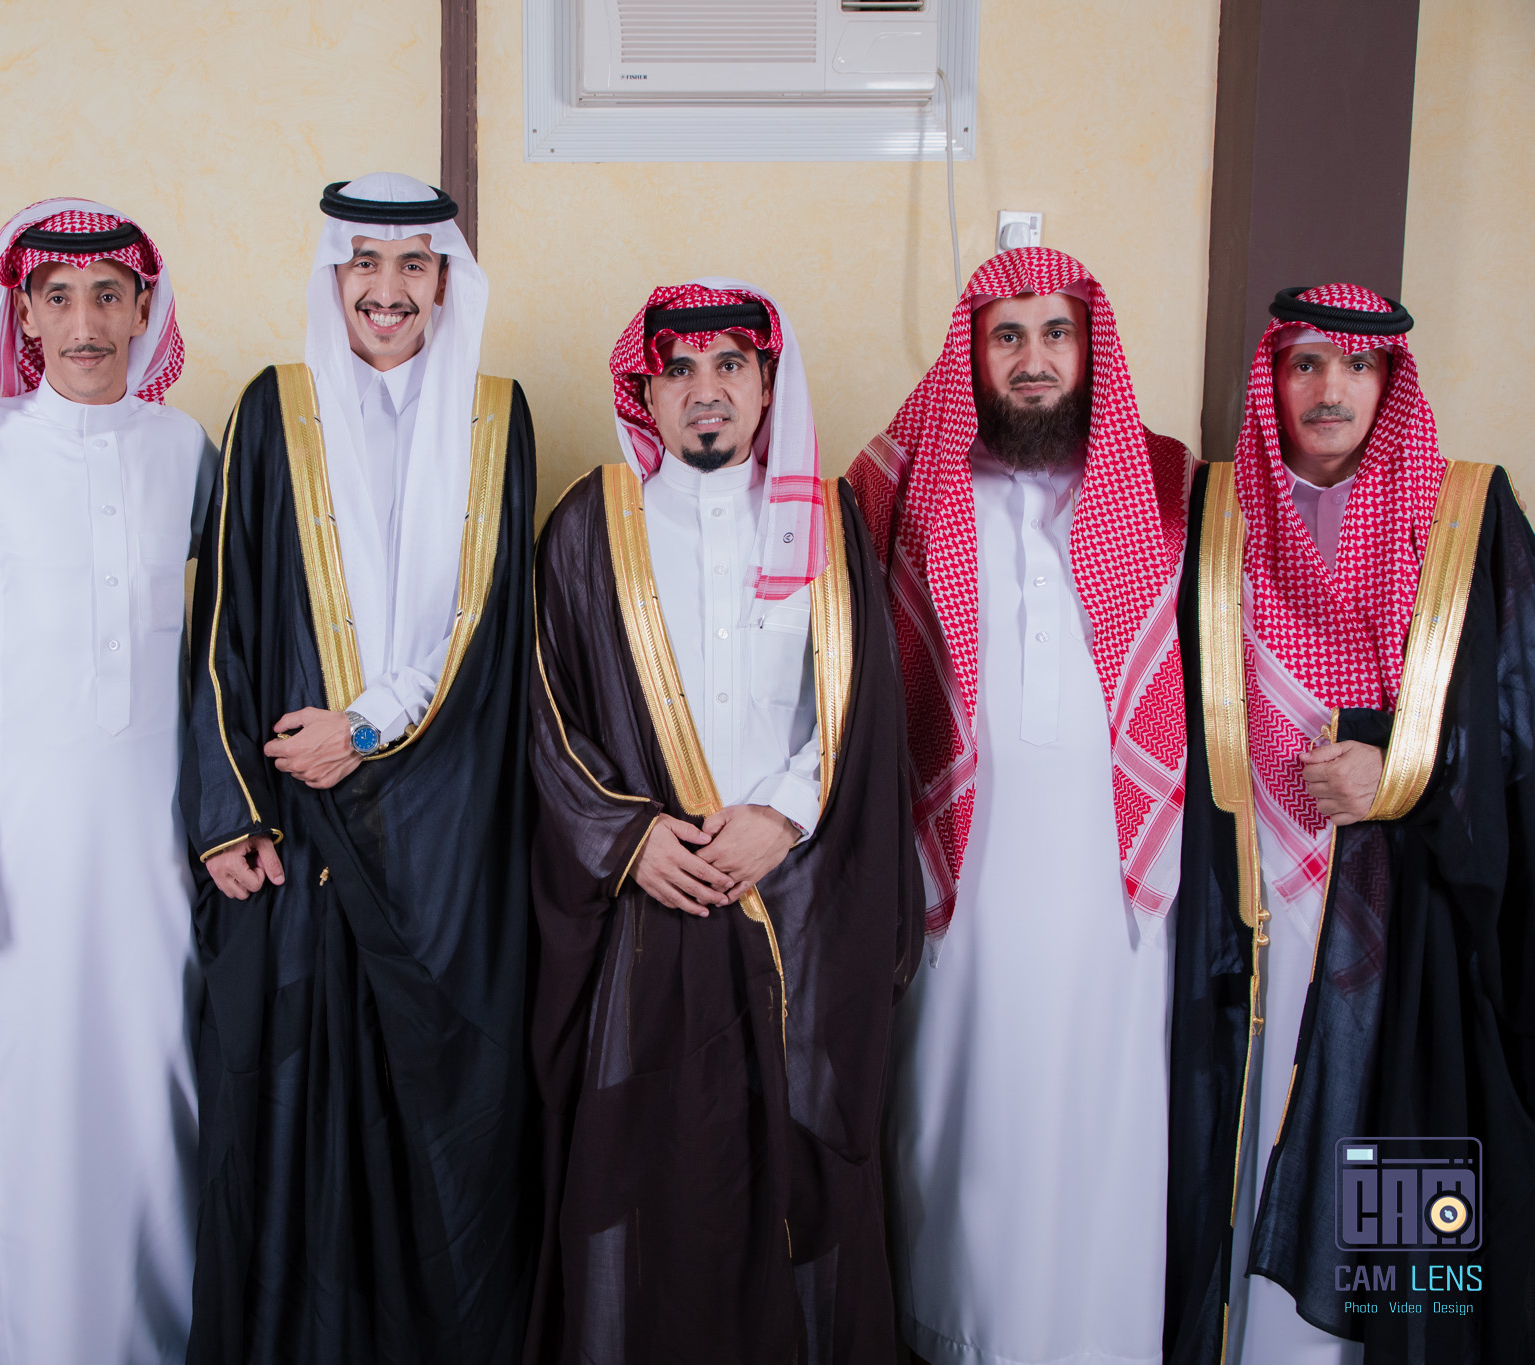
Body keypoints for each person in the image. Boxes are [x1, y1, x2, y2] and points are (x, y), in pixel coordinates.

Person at [525, 281, 920, 1363]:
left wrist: (783, 818)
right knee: (639, 1169)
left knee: (798, 1166)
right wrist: (629, 840)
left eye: (730, 365)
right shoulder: (589, 525)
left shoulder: (827, 519)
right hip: (640, 908)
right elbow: (546, 720)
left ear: (765, 384)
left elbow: (862, 712)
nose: (706, 390)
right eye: (679, 369)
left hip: (795, 899)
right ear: (644, 393)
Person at [180, 173, 534, 1364]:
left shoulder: (497, 419)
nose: (387, 290)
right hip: (295, 821)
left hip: (443, 831)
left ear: (443, 282)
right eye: (364, 265)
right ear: (334, 276)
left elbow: (492, 631)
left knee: (441, 1106)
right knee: (291, 1102)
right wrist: (227, 812)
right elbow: (224, 627)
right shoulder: (271, 409)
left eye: (412, 265)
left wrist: (368, 729)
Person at [1164, 284, 1535, 1365]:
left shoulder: (1466, 516)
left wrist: (1407, 772)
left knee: (1396, 1152)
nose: (1331, 389)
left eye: (1357, 366)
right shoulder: (1213, 516)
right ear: (1272, 379)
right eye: (1306, 364)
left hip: (1404, 922)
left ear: (1388, 382)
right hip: (1242, 908)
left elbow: (1517, 718)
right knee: (1236, 1145)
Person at [848, 247, 1193, 1365]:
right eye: (1007, 337)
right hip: (959, 877)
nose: (1032, 361)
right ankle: (953, 1336)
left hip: (1116, 885)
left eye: (1055, 335)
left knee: (1102, 1120)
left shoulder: (1170, 488)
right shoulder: (902, 489)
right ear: (972, 356)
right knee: (958, 1116)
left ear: (1091, 352)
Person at [0, 200, 210, 1364]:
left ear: (142, 311)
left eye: (107, 296)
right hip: (8, 849)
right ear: (23, 315)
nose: (85, 322)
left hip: (154, 847)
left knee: (152, 1094)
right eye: (59, 297)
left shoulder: (186, 451)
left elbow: (219, 645)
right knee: (22, 1104)